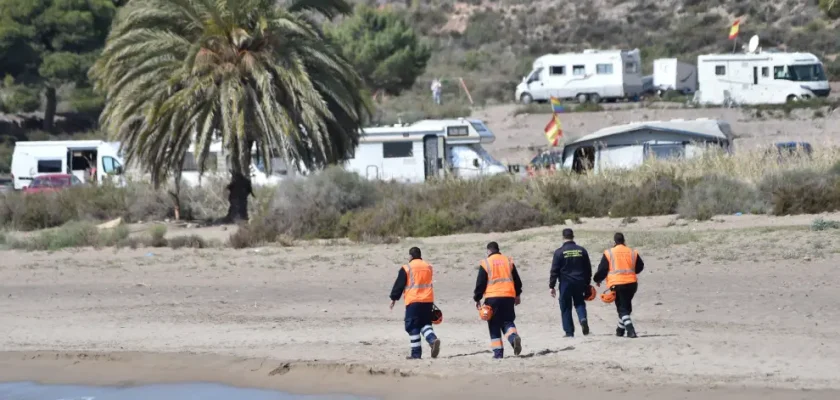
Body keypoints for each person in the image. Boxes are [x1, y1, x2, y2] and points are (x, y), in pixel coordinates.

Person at [389, 247, 442, 359]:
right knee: (425, 323)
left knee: (412, 326)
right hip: (428, 300)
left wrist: (394, 298)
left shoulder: (407, 267)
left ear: (411, 256)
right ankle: (432, 339)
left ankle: (416, 354)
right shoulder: (428, 266)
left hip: (413, 301)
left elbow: (399, 284)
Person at [473, 241, 523, 359]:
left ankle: (498, 353)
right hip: (509, 296)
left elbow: (480, 283)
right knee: (507, 321)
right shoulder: (508, 261)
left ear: (488, 251)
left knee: (494, 324)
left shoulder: (486, 263)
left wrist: (477, 298)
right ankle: (513, 337)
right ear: (498, 249)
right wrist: (518, 294)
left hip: (492, 297)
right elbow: (517, 280)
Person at [594, 232, 645, 338]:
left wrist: (597, 279)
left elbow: (603, 269)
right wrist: (632, 272)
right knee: (626, 307)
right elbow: (640, 266)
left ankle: (630, 330)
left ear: (614, 242)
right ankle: (620, 330)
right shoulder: (632, 252)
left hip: (617, 284)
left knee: (622, 309)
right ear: (624, 241)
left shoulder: (609, 253)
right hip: (632, 283)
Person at [549, 228, 592, 337]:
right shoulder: (582, 250)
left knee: (565, 306)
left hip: (565, 283)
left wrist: (552, 286)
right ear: (573, 236)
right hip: (579, 281)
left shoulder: (559, 252)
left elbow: (554, 270)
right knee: (580, 302)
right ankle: (583, 319)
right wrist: (587, 283)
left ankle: (569, 332)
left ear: (563, 237)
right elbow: (588, 269)